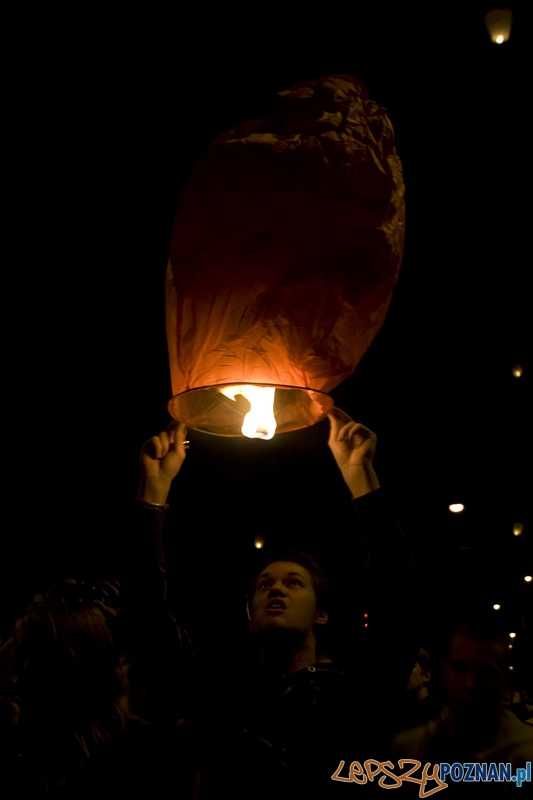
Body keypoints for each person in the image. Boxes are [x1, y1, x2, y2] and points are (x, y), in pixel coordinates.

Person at [135, 407, 420, 798]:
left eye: (294, 583)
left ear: (322, 613)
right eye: (264, 585)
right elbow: (147, 618)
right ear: (249, 613)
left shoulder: (356, 695)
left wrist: (361, 476)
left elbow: (398, 602)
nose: (276, 590)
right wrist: (153, 490)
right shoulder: (218, 693)